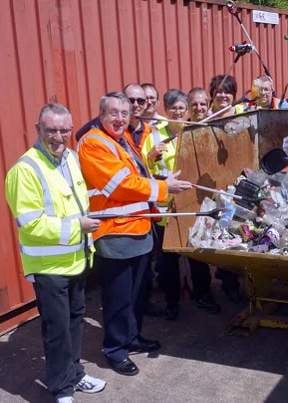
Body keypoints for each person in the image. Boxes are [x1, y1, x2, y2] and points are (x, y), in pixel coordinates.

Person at [77, 91, 193, 376]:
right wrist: (165, 189)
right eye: (113, 113)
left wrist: (162, 180)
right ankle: (115, 350)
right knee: (119, 298)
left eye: (124, 113)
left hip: (138, 227)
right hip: (116, 232)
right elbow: (122, 184)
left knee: (138, 294)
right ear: (101, 115)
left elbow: (139, 175)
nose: (119, 118)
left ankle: (132, 338)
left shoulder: (121, 139)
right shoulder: (94, 144)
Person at [5, 103, 106, 402]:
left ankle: (75, 374)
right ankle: (61, 388)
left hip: (75, 261)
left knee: (75, 323)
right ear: (38, 129)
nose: (59, 136)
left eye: (65, 130)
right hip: (49, 267)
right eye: (51, 130)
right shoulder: (25, 170)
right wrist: (79, 226)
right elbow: (30, 222)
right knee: (58, 331)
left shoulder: (71, 158)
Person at [141, 89, 221, 316]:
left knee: (197, 255)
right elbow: (143, 171)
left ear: (186, 110)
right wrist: (150, 157)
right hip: (166, 208)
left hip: (191, 205)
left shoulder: (194, 131)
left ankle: (202, 294)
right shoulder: (154, 137)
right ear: (166, 110)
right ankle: (172, 301)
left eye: (181, 108)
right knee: (168, 261)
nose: (177, 112)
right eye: (173, 108)